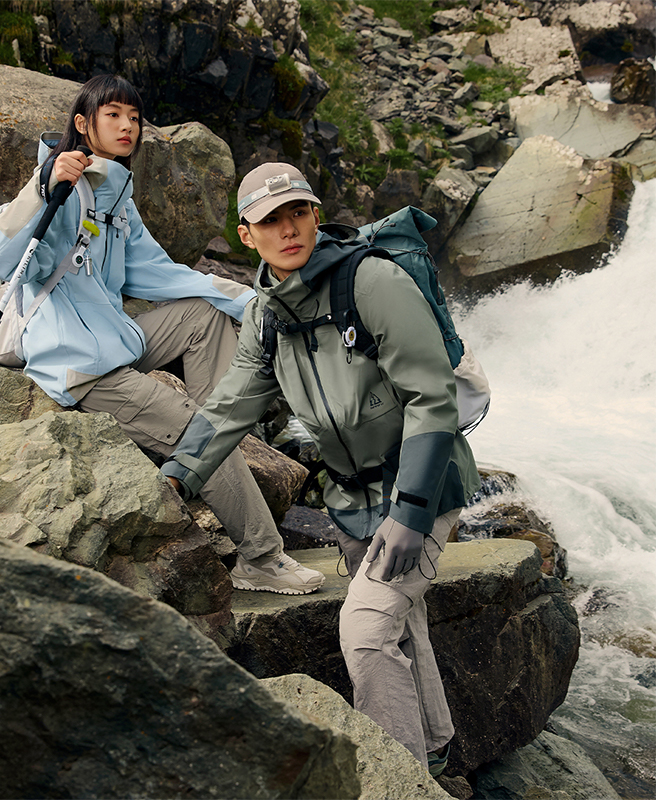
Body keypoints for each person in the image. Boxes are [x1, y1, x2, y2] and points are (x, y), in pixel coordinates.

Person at [161, 162, 480, 773]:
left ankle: (398, 778)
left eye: (298, 213)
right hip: (353, 500)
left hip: (424, 486)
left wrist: (412, 512)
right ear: (246, 235)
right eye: (270, 221)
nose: (288, 230)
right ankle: (437, 748)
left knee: (365, 632)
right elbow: (231, 404)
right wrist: (177, 475)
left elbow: (432, 398)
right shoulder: (266, 315)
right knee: (400, 618)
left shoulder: (373, 282)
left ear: (315, 215)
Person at [0, 76, 324, 597]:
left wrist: (255, 300)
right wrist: (42, 187)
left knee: (203, 316)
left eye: (134, 117)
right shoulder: (59, 187)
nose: (127, 126)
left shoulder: (115, 195)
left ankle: (219, 432)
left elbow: (158, 274)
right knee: (201, 434)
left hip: (114, 341)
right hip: (78, 365)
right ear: (82, 124)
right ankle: (261, 558)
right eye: (113, 114)